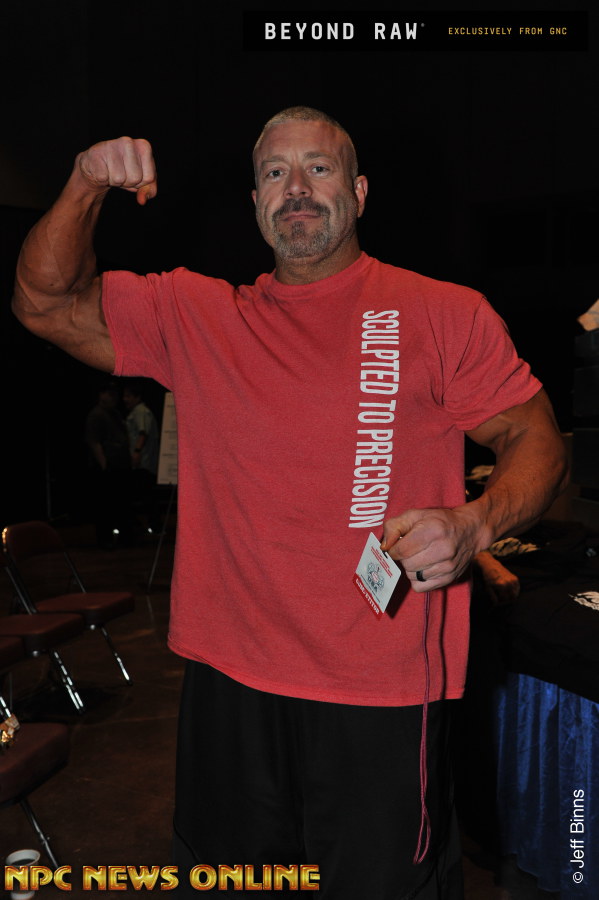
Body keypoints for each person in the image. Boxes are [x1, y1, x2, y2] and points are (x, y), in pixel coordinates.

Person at [11, 107, 567, 898]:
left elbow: (534, 436)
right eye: (275, 172)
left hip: (379, 686)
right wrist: (85, 182)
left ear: (359, 192)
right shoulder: (198, 314)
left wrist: (477, 521)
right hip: (229, 680)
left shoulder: (443, 312)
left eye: (318, 167)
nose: (296, 188)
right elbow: (43, 302)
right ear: (255, 203)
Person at [85, 379, 132, 548]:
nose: (113, 398)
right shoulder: (96, 415)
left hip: (120, 466)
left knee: (120, 504)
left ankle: (124, 538)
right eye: (110, 394)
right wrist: (104, 464)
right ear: (101, 395)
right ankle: (105, 539)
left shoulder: (115, 414)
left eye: (115, 395)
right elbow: (94, 441)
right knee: (105, 506)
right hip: (107, 468)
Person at [123, 378, 160, 532]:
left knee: (145, 496)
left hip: (143, 463)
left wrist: (136, 453)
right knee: (145, 496)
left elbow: (142, 433)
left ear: (137, 397)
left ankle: (153, 526)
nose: (125, 399)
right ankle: (148, 525)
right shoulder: (140, 411)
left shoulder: (140, 411)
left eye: (128, 396)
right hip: (144, 462)